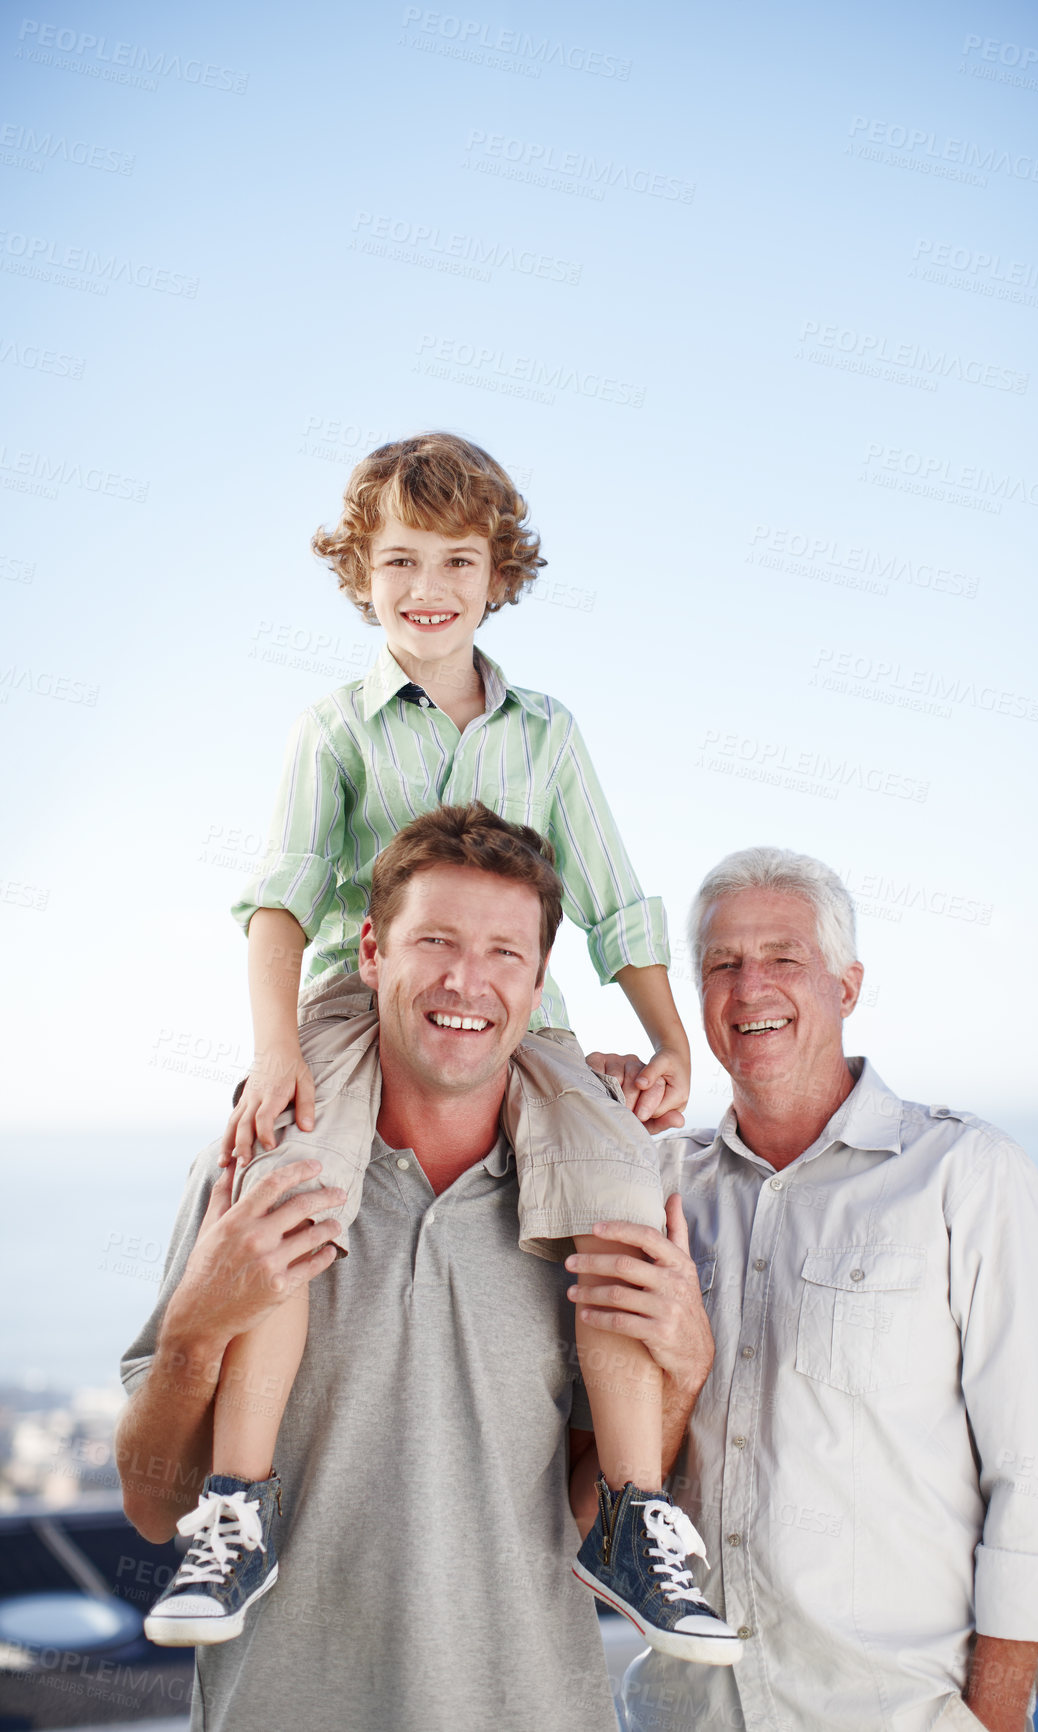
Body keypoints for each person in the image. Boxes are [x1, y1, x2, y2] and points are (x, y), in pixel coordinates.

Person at [138, 433, 737, 1660]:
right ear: (359, 574)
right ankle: (238, 1507)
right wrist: (271, 1052)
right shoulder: (334, 728)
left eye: (457, 559)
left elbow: (616, 896)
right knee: (291, 1181)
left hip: (531, 1025)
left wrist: (669, 1038)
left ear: (497, 575)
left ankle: (632, 1514)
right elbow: (282, 903)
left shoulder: (549, 734)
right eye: (400, 558)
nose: (429, 584)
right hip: (359, 1015)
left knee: (623, 1183)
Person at [116, 808, 727, 1732]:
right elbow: (154, 1509)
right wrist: (198, 1328)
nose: (465, 982)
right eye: (433, 940)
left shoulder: (588, 1203)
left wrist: (683, 1371)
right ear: (370, 951)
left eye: (503, 955)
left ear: (537, 984)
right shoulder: (252, 1171)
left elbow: (572, 1510)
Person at [574, 846, 1038, 1732]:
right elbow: (595, 1501)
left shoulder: (965, 1177)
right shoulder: (655, 1188)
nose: (750, 990)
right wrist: (585, 1104)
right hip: (687, 1713)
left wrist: (998, 1718)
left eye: (784, 959)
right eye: (721, 966)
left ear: (847, 987)